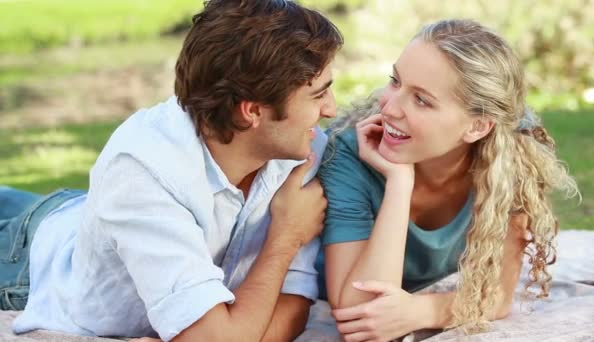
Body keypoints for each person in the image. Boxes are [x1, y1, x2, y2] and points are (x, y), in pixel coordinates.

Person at [0, 1, 343, 341]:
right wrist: (285, 237)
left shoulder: (301, 150)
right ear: (252, 111)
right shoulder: (143, 168)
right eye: (318, 95)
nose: (331, 109)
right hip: (27, 264)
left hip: (102, 218)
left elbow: (292, 307)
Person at [315, 19, 579, 342]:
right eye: (395, 82)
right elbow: (362, 315)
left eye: (421, 100)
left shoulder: (509, 159)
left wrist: (419, 311)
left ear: (477, 127)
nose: (390, 107)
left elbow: (497, 295)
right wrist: (399, 183)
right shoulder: (351, 153)